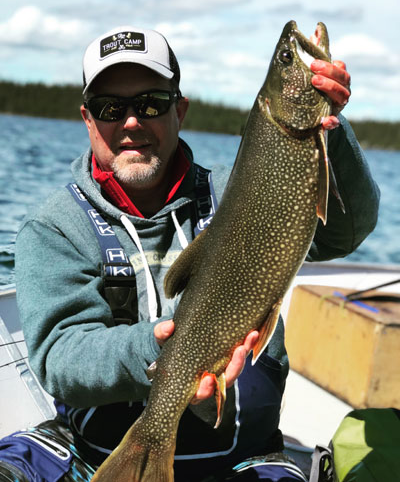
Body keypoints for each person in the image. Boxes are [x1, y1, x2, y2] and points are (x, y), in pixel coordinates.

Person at [0, 25, 379, 482]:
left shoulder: (239, 189)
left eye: (150, 104)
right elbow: (61, 358)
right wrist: (166, 351)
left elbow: (343, 233)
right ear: (87, 119)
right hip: (93, 454)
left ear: (180, 109)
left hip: (243, 461)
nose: (131, 122)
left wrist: (329, 132)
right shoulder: (55, 227)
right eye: (110, 108)